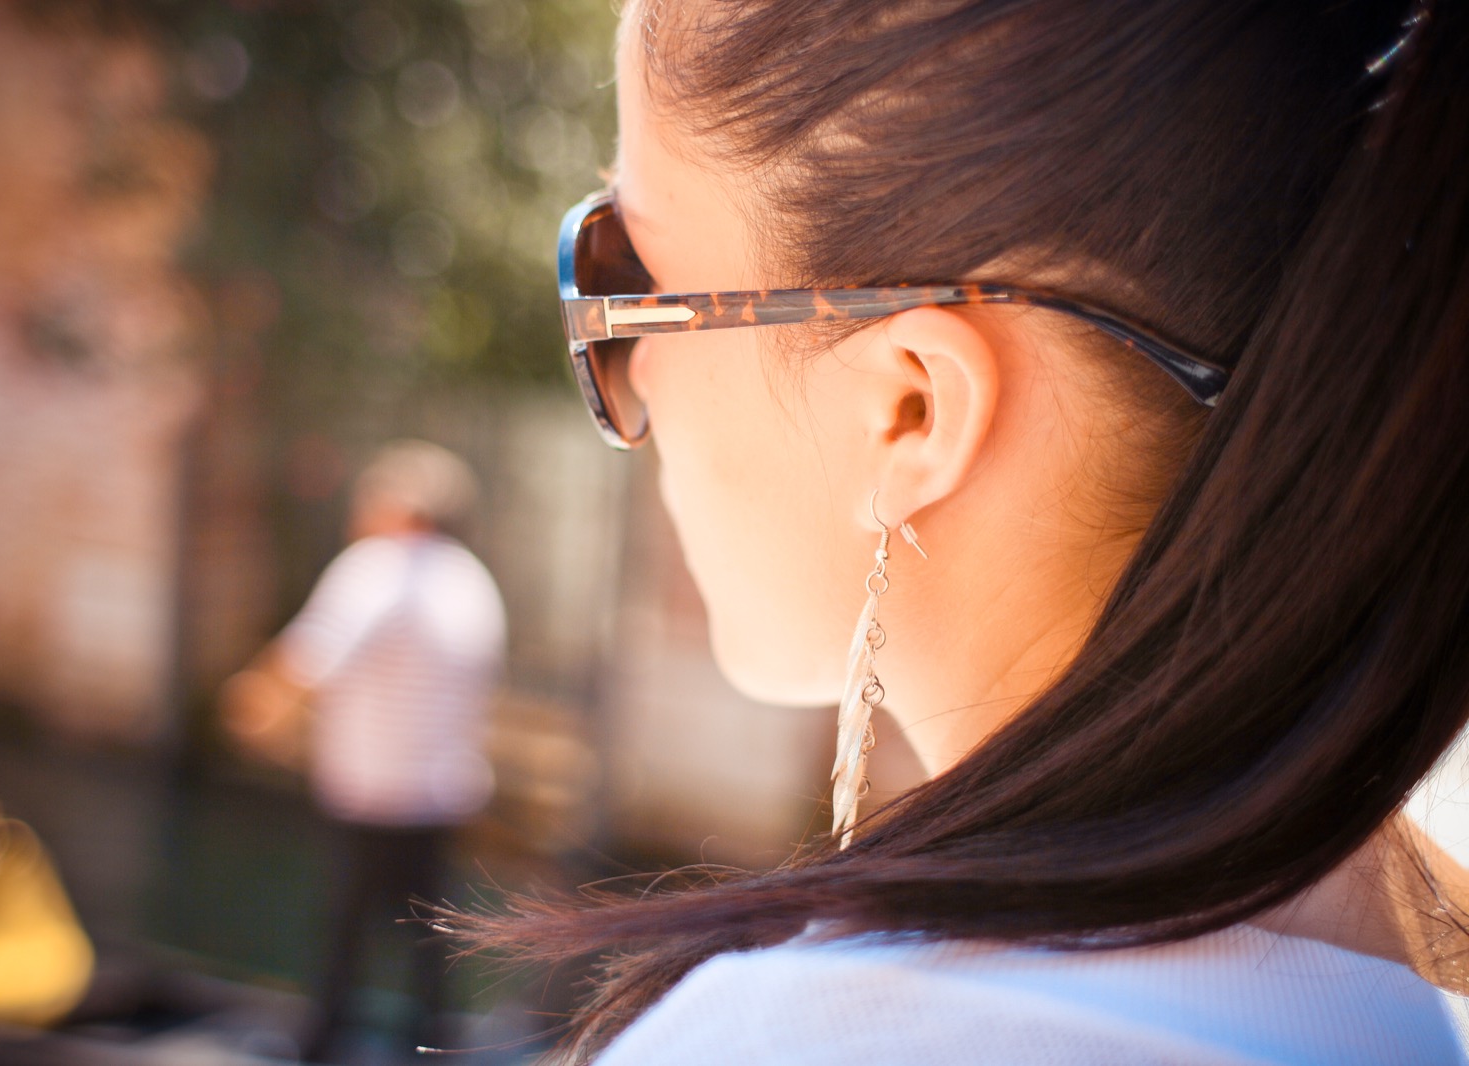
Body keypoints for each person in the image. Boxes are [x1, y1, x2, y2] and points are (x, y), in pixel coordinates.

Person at [465, 0, 1469, 1062]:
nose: (629, 379)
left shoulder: (804, 1043)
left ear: (910, 409)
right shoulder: (1399, 1023)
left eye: (631, 277)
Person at [224, 440, 506, 1061]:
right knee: (431, 942)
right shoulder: (473, 580)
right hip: (440, 797)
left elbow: (304, 663)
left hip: (372, 795)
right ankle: (432, 1045)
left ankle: (320, 1045)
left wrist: (249, 712)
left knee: (343, 936)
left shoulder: (376, 568)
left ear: (401, 509)